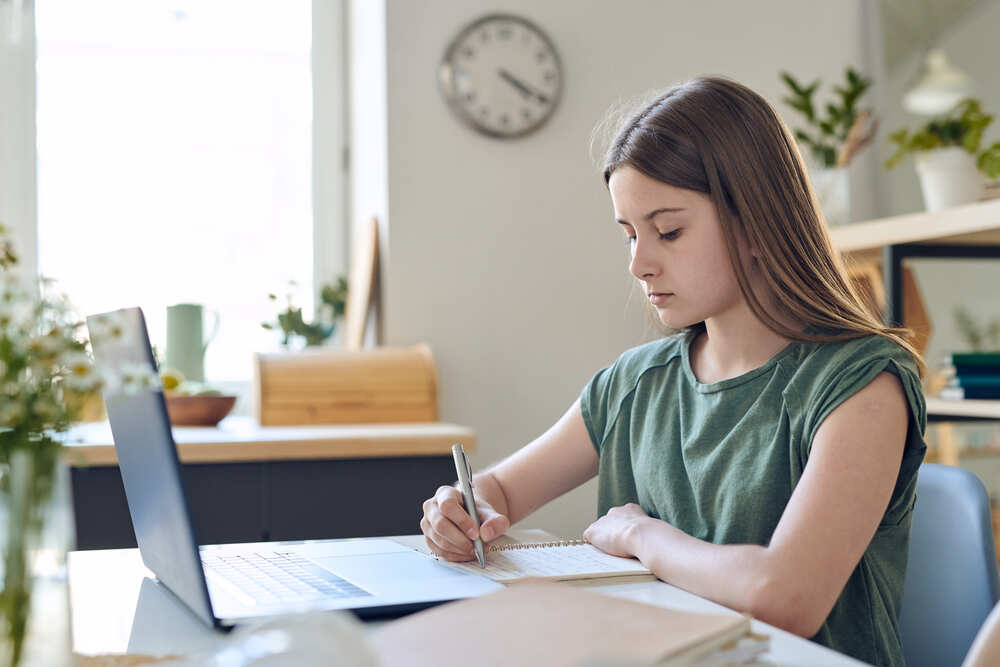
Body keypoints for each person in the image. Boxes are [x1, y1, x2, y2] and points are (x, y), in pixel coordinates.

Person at [419, 76, 926, 667]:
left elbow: (785, 597)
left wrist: (641, 536)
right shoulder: (636, 383)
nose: (639, 262)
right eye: (630, 234)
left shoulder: (861, 384)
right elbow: (501, 492)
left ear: (755, 221)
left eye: (668, 231)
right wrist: (460, 508)